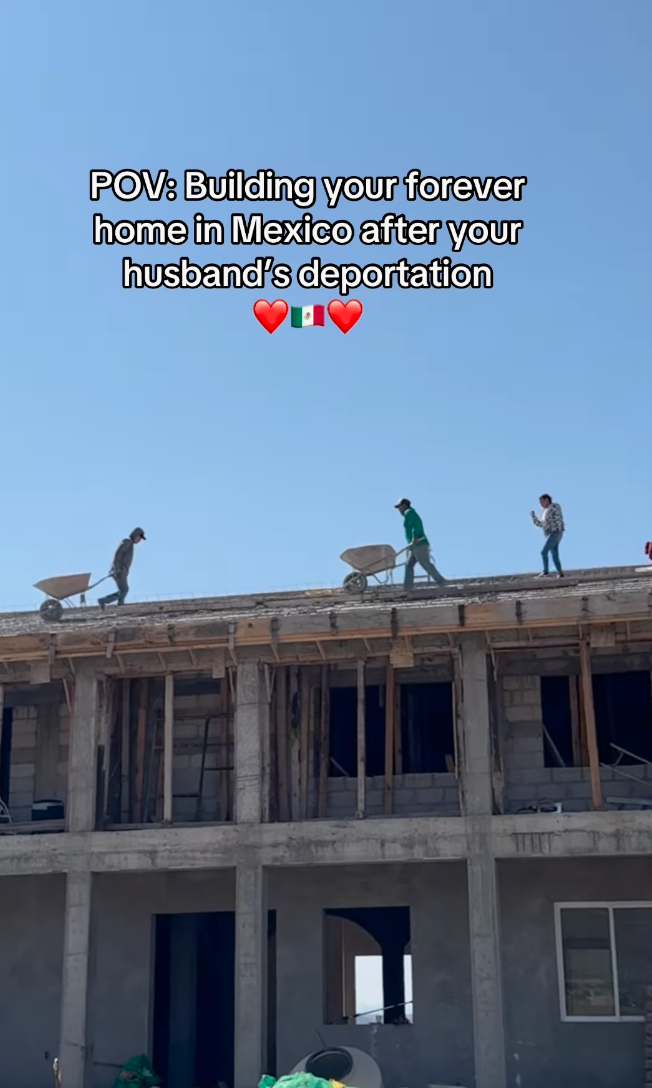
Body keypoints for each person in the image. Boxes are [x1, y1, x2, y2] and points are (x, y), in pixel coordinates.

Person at [395, 499, 446, 589]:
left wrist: (415, 537)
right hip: (414, 546)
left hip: (419, 543)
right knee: (409, 564)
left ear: (404, 505)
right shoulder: (408, 514)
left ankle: (441, 581)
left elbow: (416, 524)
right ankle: (408, 587)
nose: (399, 510)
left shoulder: (409, 512)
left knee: (424, 562)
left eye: (399, 507)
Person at [98, 528, 146, 609]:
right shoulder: (127, 542)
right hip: (119, 570)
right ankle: (107, 601)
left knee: (123, 590)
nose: (139, 540)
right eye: (139, 537)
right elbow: (118, 553)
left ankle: (111, 601)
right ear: (135, 535)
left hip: (121, 570)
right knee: (124, 589)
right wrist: (117, 567)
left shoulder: (130, 544)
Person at [531, 495, 564, 576]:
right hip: (551, 534)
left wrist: (557, 528)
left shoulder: (554, 507)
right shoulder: (545, 512)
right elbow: (542, 524)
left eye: (542, 501)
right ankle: (560, 573)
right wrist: (534, 518)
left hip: (555, 532)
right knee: (554, 554)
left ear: (547, 500)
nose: (541, 504)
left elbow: (557, 519)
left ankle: (545, 571)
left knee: (544, 552)